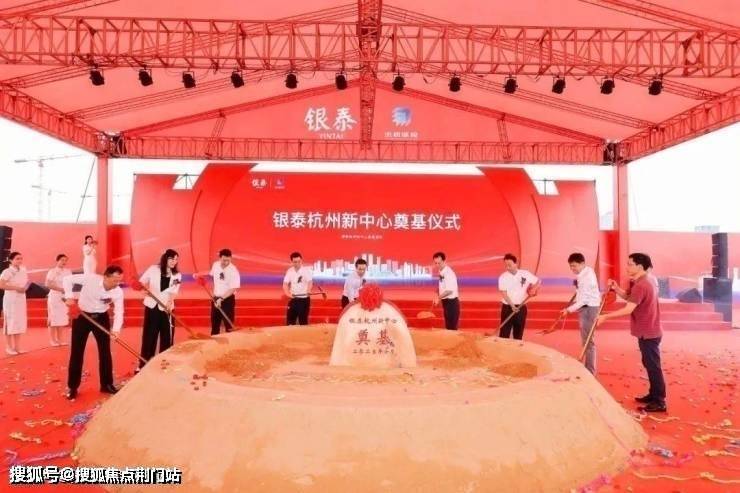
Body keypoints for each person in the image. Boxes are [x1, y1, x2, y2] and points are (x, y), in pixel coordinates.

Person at [597, 253, 666, 413]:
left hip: (649, 332)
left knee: (653, 367)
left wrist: (605, 316)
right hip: (649, 330)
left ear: (640, 267)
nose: (627, 267)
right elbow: (629, 297)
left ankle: (659, 401)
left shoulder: (642, 285)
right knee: (650, 364)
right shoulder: (645, 280)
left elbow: (629, 308)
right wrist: (616, 288)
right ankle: (654, 395)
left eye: (630, 264)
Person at [63, 265, 125, 399]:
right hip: (82, 316)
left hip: (101, 318)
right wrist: (69, 296)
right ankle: (72, 387)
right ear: (106, 277)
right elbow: (67, 279)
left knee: (105, 352)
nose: (117, 283)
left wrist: (116, 330)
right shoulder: (90, 279)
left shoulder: (118, 291)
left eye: (119, 280)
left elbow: (119, 310)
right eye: (115, 280)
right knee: (77, 352)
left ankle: (107, 384)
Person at [138, 249, 182, 369]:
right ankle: (144, 364)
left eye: (176, 259)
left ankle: (164, 364)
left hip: (167, 309)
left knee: (167, 338)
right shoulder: (153, 269)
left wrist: (169, 302)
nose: (174, 261)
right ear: (165, 258)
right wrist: (143, 290)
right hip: (152, 307)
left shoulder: (177, 275)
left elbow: (174, 291)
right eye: (171, 258)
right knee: (149, 337)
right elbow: (141, 282)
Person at [560, 253, 601, 375]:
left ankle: (590, 371)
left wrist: (568, 310)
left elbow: (584, 300)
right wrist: (577, 288)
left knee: (588, 341)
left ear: (582, 263)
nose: (572, 269)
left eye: (574, 266)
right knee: (586, 340)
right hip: (586, 307)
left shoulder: (587, 278)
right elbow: (582, 294)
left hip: (589, 308)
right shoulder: (586, 272)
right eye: (570, 266)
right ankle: (588, 368)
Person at [196, 249, 240, 335]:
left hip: (227, 300)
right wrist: (199, 274)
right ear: (219, 258)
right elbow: (211, 274)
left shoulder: (233, 270)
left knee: (229, 327)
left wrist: (221, 299)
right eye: (224, 260)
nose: (226, 262)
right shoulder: (216, 265)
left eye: (228, 260)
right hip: (215, 298)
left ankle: (230, 342)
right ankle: (214, 341)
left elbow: (233, 288)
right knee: (215, 325)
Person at [498, 253, 539, 340]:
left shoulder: (525, 274)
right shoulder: (503, 277)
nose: (507, 267)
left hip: (521, 307)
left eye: (509, 265)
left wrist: (534, 289)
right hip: (508, 307)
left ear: (516, 263)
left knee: (518, 333)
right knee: (504, 334)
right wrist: (512, 306)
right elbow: (504, 294)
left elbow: (538, 281)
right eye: (506, 265)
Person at [0, 252, 28, 355]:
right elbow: (1, 285)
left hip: (21, 299)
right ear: (11, 260)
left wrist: (25, 288)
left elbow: (26, 283)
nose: (20, 261)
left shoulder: (23, 270)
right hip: (10, 300)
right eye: (17, 259)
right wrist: (16, 288)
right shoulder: (7, 272)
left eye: (21, 258)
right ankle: (9, 347)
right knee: (10, 323)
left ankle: (17, 347)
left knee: (19, 322)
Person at [45, 254, 72, 346]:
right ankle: (52, 340)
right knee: (53, 318)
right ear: (57, 261)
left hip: (64, 297)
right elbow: (48, 284)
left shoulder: (68, 271)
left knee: (62, 319)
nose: (64, 262)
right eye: (62, 260)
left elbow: (70, 284)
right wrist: (60, 289)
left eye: (65, 260)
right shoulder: (52, 271)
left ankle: (60, 339)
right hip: (54, 297)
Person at [432, 252, 460, 330]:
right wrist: (437, 292)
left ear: (444, 261)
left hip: (452, 303)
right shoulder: (441, 271)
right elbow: (443, 285)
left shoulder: (448, 273)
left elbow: (449, 291)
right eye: (435, 263)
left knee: (452, 328)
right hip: (446, 302)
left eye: (439, 263)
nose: (437, 265)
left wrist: (438, 298)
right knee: (448, 327)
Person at [283, 252, 313, 325]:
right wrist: (287, 293)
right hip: (293, 299)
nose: (297, 264)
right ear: (292, 262)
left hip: (304, 300)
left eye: (299, 261)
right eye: (295, 262)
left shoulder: (306, 271)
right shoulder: (290, 271)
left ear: (301, 260)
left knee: (303, 322)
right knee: (290, 322)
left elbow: (310, 282)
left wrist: (308, 290)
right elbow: (285, 284)